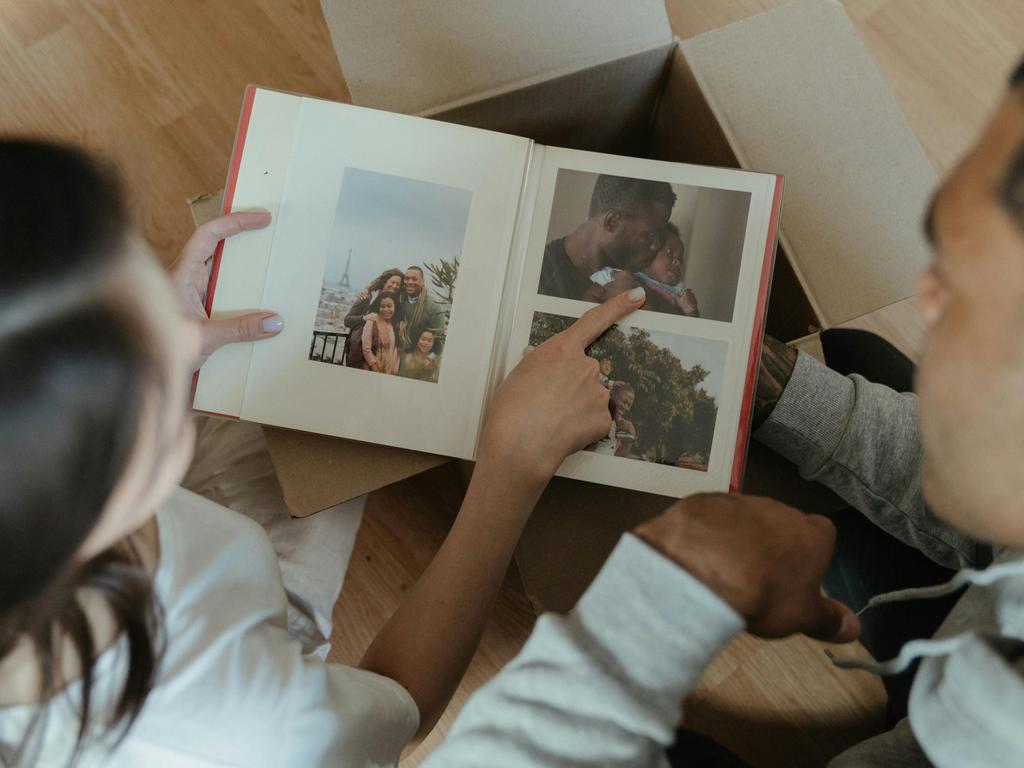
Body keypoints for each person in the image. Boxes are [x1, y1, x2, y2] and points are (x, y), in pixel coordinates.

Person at [419, 56, 1024, 768]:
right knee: (853, 354)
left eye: (964, 284)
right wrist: (786, 393)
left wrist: (664, 592)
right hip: (969, 636)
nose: (925, 295)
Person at [0, 138, 650, 766]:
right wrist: (511, 470)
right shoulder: (249, 732)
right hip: (257, 642)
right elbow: (398, 705)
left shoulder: (36, 518)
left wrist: (138, 326)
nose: (178, 335)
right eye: (147, 356)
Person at [539, 174, 677, 302]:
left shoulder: (634, 278)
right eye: (651, 234)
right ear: (612, 222)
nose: (657, 246)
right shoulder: (541, 280)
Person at [593, 223, 701, 316]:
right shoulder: (620, 274)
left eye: (680, 260)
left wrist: (691, 311)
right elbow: (592, 288)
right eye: (669, 253)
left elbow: (691, 327)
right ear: (651, 251)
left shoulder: (678, 292)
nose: (677, 262)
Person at [343, 268, 403, 368]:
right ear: (384, 282)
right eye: (392, 282)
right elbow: (347, 321)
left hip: (380, 355)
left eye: (398, 284)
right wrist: (364, 318)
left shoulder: (395, 303)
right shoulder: (368, 298)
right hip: (360, 351)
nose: (395, 286)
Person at [397, 266, 445, 351]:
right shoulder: (398, 301)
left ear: (423, 281)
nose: (410, 282)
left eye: (414, 279)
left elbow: (440, 339)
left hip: (418, 358)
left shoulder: (434, 307)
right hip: (396, 353)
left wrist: (430, 359)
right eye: (407, 278)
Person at [360, 293, 401, 375]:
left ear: (395, 307)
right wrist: (377, 371)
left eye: (389, 306)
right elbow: (366, 349)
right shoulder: (372, 321)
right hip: (374, 369)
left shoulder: (395, 324)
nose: (386, 310)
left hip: (391, 370)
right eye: (382, 306)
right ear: (378, 307)